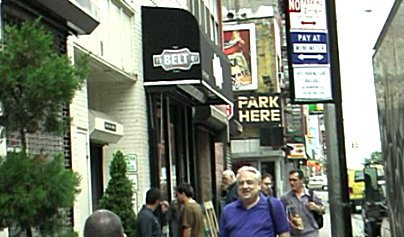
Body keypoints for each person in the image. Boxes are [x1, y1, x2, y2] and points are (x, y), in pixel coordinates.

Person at [219, 166, 290, 237]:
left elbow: (284, 234)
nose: (245, 186)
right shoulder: (227, 211)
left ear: (259, 185)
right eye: (241, 183)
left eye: (249, 182)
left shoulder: (273, 205)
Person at [280, 169, 325, 237]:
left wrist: (316, 207)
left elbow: (323, 210)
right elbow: (281, 216)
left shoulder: (311, 195)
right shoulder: (285, 198)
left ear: (301, 181)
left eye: (294, 180)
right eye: (290, 180)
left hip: (311, 233)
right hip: (294, 234)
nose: (292, 183)